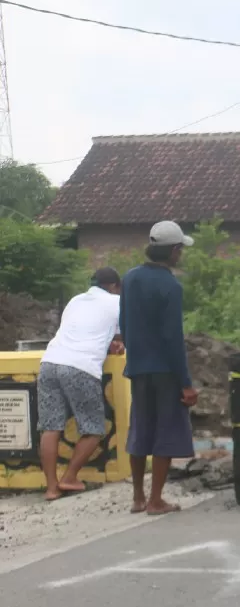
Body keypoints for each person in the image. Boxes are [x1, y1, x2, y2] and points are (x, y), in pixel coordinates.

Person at [120, 221, 199, 515]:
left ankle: (138, 497)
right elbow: (172, 339)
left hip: (138, 367)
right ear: (173, 251)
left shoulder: (129, 279)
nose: (181, 255)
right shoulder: (171, 286)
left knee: (141, 429)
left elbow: (125, 325)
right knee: (165, 431)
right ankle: (156, 500)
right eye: (180, 250)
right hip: (165, 370)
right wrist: (186, 383)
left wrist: (134, 357)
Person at [37, 267, 124, 501]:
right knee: (94, 428)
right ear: (115, 286)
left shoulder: (76, 300)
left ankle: (51, 488)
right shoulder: (117, 303)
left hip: (50, 362)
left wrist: (106, 344)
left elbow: (81, 332)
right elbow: (124, 336)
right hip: (80, 367)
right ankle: (70, 477)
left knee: (50, 427)